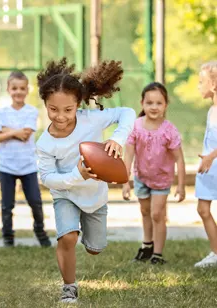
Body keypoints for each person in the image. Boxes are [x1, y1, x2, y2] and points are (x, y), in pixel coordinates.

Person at [36, 57, 136, 303]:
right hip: (66, 194)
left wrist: (117, 139)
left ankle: (88, 237)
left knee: (94, 249)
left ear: (78, 104)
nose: (60, 116)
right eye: (53, 109)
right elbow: (47, 178)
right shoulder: (45, 143)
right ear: (45, 104)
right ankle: (69, 287)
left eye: (68, 110)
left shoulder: (91, 118)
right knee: (67, 237)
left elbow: (128, 112)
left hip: (94, 196)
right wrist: (76, 176)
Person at [122, 82, 186, 264]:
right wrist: (124, 182)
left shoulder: (169, 130)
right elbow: (128, 155)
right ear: (142, 103)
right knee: (144, 211)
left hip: (161, 180)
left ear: (166, 104)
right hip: (141, 177)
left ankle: (157, 254)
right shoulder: (135, 126)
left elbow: (179, 159)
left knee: (157, 214)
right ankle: (147, 246)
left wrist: (181, 186)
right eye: (149, 103)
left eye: (159, 103)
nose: (154, 107)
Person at [0, 71, 51, 248]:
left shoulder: (31, 111)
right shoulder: (1, 112)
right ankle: (8, 238)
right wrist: (15, 131)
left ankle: (41, 233)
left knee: (35, 202)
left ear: (27, 90)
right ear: (9, 89)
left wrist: (6, 131)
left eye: (22, 88)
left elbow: (25, 135)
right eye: (14, 88)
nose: (18, 92)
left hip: (28, 167)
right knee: (7, 206)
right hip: (6, 167)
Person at [194, 61, 217, 268]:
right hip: (208, 170)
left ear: (214, 86)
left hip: (213, 165)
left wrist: (211, 157)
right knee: (203, 209)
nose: (198, 86)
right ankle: (216, 253)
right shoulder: (212, 110)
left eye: (202, 82)